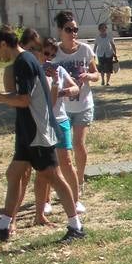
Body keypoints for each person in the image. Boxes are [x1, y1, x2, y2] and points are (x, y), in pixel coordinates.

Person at [0, 27, 84, 243]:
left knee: (53, 176)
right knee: (13, 174)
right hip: (28, 130)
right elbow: (24, 96)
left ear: (3, 44)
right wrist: (0, 95)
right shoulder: (26, 60)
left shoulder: (24, 62)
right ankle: (3, 226)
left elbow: (24, 100)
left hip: (38, 131)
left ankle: (76, 227)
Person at [28, 34, 81, 224]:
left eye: (52, 54)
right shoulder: (34, 73)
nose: (48, 58)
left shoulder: (58, 69)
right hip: (43, 124)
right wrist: (54, 86)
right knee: (45, 167)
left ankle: (75, 200)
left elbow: (75, 88)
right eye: (46, 53)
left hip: (61, 120)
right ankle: (45, 202)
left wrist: (65, 91)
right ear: (38, 52)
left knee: (66, 161)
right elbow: (43, 101)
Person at [54, 11, 99, 211]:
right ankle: (64, 184)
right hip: (62, 109)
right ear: (60, 30)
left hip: (83, 105)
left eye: (75, 29)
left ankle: (79, 181)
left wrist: (89, 76)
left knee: (79, 144)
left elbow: (96, 74)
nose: (73, 33)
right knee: (63, 151)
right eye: (69, 29)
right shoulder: (54, 52)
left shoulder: (85, 50)